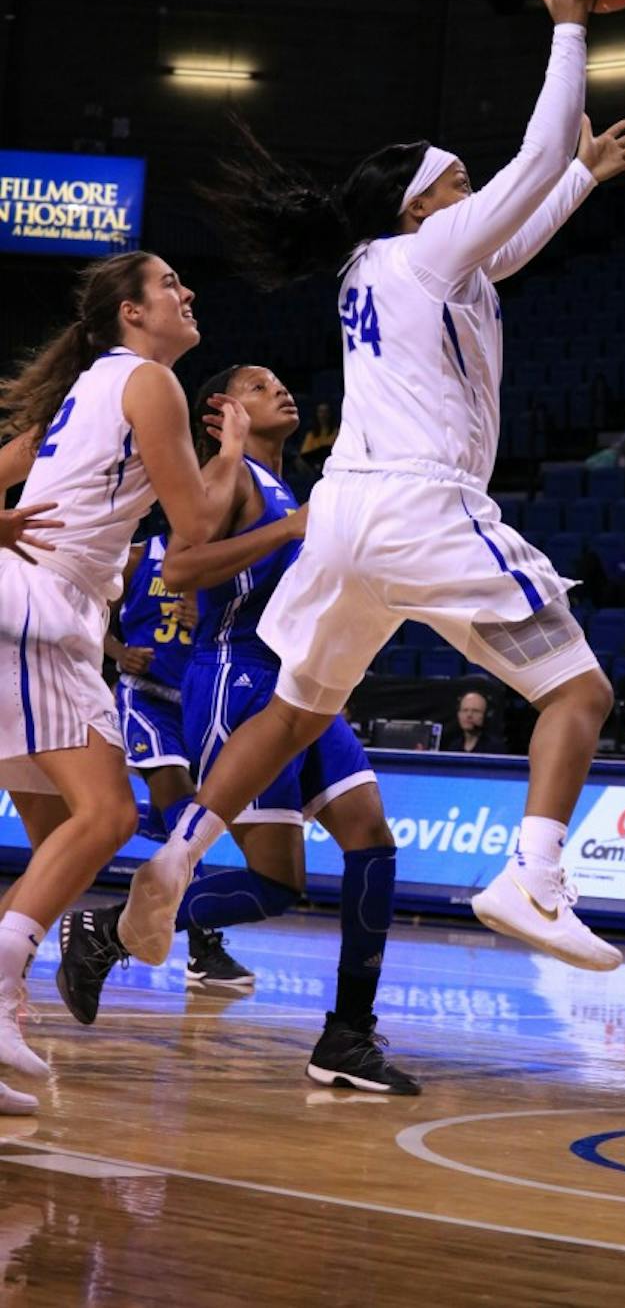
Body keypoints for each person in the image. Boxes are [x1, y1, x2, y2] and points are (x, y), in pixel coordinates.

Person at [114, 0, 625, 980]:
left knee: (297, 708)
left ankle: (178, 857)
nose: (473, 191)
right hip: (419, 504)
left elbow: (523, 222)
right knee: (578, 692)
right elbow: (531, 164)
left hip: (345, 515)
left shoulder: (387, 264)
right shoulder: (426, 250)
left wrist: (582, 176)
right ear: (420, 204)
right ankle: (531, 874)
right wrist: (573, 28)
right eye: (458, 180)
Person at [58, 364, 418, 1093]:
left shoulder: (292, 483)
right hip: (240, 678)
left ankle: (347, 1031)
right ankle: (104, 932)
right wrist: (287, 528)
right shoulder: (231, 478)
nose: (282, 389)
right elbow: (183, 567)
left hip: (304, 681)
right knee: (277, 881)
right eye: (259, 385)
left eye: (283, 382)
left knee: (372, 838)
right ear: (223, 409)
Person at [0, 250, 249, 1099]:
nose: (186, 291)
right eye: (170, 283)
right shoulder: (148, 383)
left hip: (39, 611)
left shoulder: (88, 389)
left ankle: (5, 1003)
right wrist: (237, 454)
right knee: (106, 814)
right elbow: (196, 531)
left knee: (52, 843)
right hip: (40, 607)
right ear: (132, 313)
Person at [103, 531, 253, 987]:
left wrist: (209, 613)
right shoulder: (135, 559)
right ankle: (204, 948)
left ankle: (122, 821)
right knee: (187, 813)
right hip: (147, 700)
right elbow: (89, 611)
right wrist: (118, 652)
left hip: (201, 700)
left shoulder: (228, 560)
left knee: (188, 821)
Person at [440, 690, 505, 753]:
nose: (469, 715)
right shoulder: (454, 746)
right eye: (465, 710)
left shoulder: (494, 748)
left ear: (485, 715)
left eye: (475, 711)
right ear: (458, 714)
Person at [299, 401, 338, 466]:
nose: (323, 415)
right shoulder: (311, 435)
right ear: (316, 414)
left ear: (330, 414)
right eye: (321, 412)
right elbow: (305, 454)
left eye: (326, 412)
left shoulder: (337, 432)